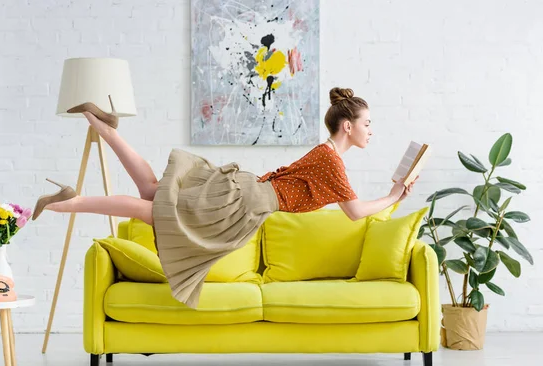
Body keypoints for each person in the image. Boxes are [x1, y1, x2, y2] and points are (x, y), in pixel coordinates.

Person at [32, 87, 417, 309]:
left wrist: (392, 194)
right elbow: (356, 213)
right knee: (155, 212)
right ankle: (69, 202)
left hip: (248, 192)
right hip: (248, 202)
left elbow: (351, 209)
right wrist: (393, 195)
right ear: (347, 127)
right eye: (368, 124)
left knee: (152, 192)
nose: (371, 131)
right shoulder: (333, 163)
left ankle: (106, 129)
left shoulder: (325, 154)